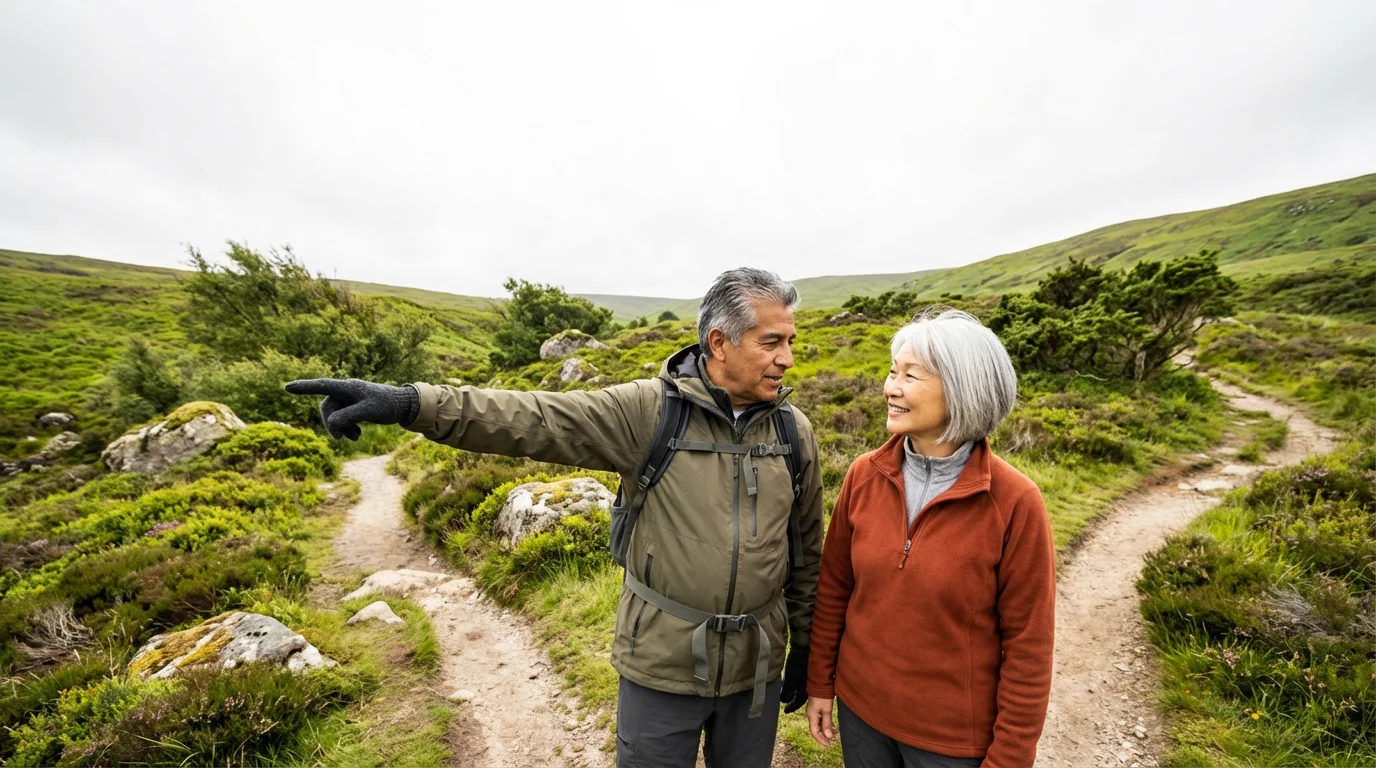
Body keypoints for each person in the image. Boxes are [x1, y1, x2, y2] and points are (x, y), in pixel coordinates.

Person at [286, 267, 824, 768]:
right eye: (771, 343)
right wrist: (410, 403)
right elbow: (534, 418)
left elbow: (805, 551)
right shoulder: (649, 412)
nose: (788, 359)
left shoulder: (791, 433)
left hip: (755, 668)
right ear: (719, 344)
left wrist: (803, 647)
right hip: (661, 664)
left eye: (790, 342)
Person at [805, 308, 1055, 768]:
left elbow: (1028, 646)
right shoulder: (864, 475)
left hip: (952, 742)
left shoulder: (1016, 502)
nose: (890, 388)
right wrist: (820, 683)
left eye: (910, 375)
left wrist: (1011, 756)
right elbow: (835, 589)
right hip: (861, 716)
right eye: (892, 371)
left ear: (962, 389)